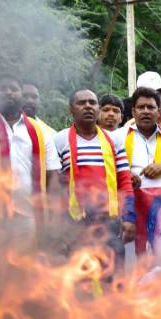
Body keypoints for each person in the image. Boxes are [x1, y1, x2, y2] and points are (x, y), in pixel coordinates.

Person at [54, 89, 136, 263]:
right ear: (71, 109)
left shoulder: (114, 141)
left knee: (112, 273)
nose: (88, 107)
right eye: (81, 103)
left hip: (109, 221)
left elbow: (124, 181)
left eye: (92, 103)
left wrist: (129, 217)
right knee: (80, 275)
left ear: (98, 108)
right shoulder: (59, 140)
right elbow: (56, 187)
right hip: (76, 222)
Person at [0, 73, 61, 245]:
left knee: (24, 268)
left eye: (14, 89)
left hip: (28, 217)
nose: (8, 92)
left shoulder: (40, 132)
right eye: (2, 88)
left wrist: (54, 215)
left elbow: (53, 175)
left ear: (21, 95)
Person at [112, 87, 161, 188]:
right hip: (128, 199)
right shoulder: (118, 137)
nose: (146, 111)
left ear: (159, 111)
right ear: (133, 112)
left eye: (150, 107)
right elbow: (107, 168)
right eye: (141, 107)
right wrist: (123, 175)